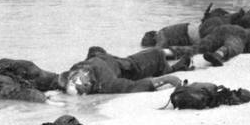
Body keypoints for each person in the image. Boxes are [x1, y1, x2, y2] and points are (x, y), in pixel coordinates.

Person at [61, 46, 191, 95]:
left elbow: (45, 78)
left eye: (75, 79)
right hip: (128, 67)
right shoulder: (106, 84)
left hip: (103, 56)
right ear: (87, 86)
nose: (81, 75)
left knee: (94, 49)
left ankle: (174, 54)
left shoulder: (66, 76)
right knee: (156, 54)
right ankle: (176, 65)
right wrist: (163, 80)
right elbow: (132, 87)